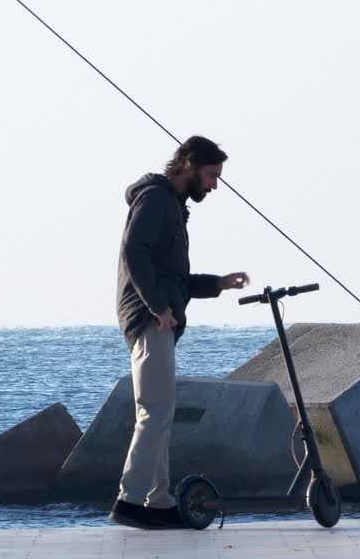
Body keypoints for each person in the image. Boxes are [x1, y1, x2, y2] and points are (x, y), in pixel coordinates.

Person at [108, 136, 249, 530]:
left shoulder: (172, 205)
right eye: (211, 175)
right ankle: (130, 501)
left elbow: (176, 279)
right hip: (151, 319)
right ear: (189, 165)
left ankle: (160, 502)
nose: (214, 185)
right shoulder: (155, 199)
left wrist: (219, 283)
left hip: (159, 317)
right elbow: (133, 251)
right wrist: (157, 307)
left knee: (158, 412)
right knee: (155, 412)